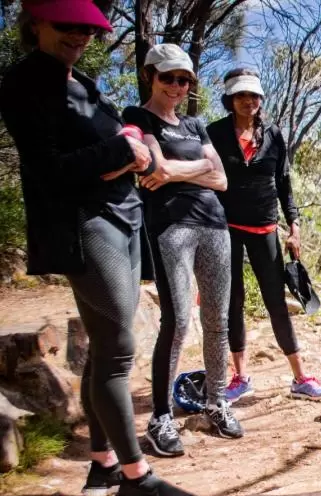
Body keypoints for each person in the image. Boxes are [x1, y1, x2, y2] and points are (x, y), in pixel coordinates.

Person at [0, 2, 196, 496]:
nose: (80, 35)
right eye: (68, 26)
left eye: (88, 28)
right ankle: (135, 478)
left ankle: (103, 465)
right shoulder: (25, 84)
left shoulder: (78, 81)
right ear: (36, 23)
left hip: (124, 216)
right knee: (117, 348)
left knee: (104, 350)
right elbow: (48, 169)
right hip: (86, 225)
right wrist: (121, 153)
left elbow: (114, 139)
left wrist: (129, 144)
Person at [123, 44, 243, 457]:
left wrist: (179, 170)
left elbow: (223, 179)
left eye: (184, 80)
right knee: (176, 322)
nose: (176, 86)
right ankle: (160, 417)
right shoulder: (137, 117)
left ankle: (215, 402)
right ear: (150, 76)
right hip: (170, 227)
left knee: (218, 321)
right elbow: (155, 169)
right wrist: (195, 169)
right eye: (168, 78)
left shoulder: (194, 125)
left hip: (214, 225)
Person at [206, 68, 321, 402]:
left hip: (264, 228)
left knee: (276, 301)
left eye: (254, 96)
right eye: (242, 96)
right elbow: (204, 178)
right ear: (231, 100)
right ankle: (240, 377)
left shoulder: (273, 134)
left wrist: (295, 225)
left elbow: (284, 183)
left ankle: (300, 378)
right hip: (225, 228)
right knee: (233, 301)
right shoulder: (214, 133)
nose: (249, 101)